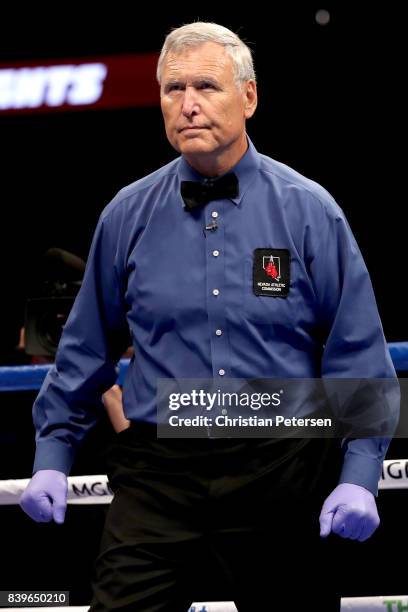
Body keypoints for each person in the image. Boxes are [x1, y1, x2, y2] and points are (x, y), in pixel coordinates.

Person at [20, 22, 398, 611]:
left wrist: (359, 472)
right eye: (173, 90)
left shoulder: (308, 211)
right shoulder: (127, 214)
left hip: (281, 465)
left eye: (206, 86)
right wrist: (52, 455)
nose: (189, 105)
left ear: (248, 97)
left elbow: (357, 351)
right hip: (158, 474)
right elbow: (84, 350)